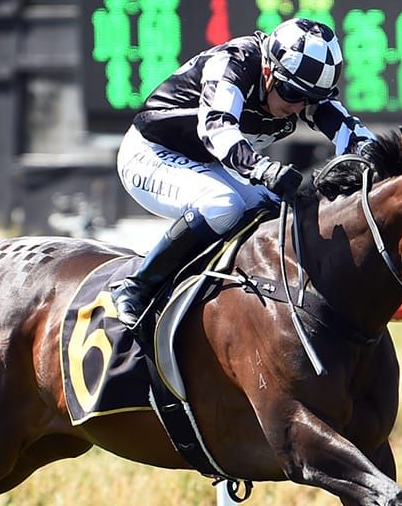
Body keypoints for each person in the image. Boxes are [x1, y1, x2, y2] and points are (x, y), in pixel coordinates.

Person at [111, 17, 376, 329]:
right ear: (268, 70)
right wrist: (262, 169)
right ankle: (137, 287)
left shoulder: (297, 85)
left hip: (208, 161)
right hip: (150, 154)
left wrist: (376, 157)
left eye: (312, 99)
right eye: (292, 93)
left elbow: (352, 132)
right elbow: (217, 129)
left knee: (281, 214)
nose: (299, 106)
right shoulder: (233, 63)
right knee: (222, 206)